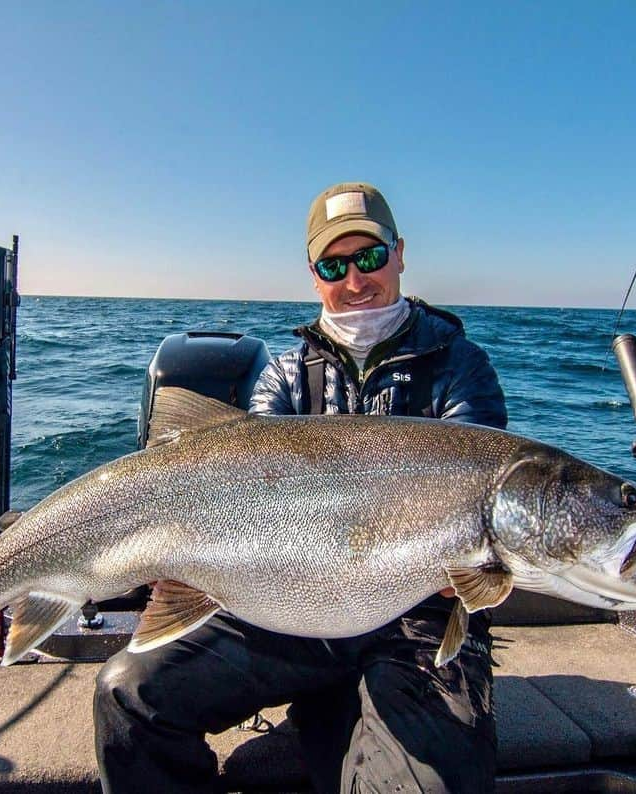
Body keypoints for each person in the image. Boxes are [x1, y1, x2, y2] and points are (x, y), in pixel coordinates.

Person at [94, 182, 508, 793]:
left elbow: (479, 509)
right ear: (313, 275)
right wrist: (180, 553)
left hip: (420, 620)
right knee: (127, 694)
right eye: (333, 265)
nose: (355, 280)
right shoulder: (285, 377)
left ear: (399, 254)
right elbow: (242, 484)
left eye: (368, 257)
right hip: (288, 608)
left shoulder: (459, 366)